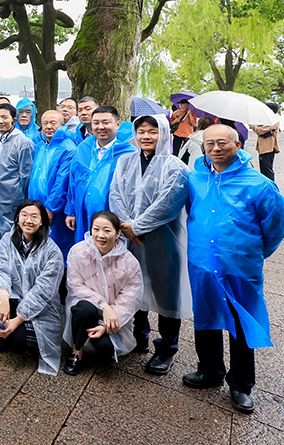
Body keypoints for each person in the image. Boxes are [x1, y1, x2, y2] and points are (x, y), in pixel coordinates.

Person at [183, 124, 284, 414]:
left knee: (241, 323)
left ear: (238, 145)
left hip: (239, 265)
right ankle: (209, 369)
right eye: (209, 143)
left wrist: (252, 254)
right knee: (205, 315)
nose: (215, 148)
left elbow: (275, 228)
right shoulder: (195, 178)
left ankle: (241, 384)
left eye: (222, 143)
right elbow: (191, 210)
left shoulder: (259, 185)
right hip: (202, 262)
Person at [108, 115, 191, 375]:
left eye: (152, 131)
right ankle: (138, 337)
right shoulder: (125, 161)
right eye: (141, 131)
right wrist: (125, 225)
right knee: (133, 287)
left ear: (164, 134)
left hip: (163, 240)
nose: (146, 136)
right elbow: (115, 194)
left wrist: (137, 227)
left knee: (167, 293)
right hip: (129, 238)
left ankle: (166, 349)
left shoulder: (176, 167)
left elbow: (167, 204)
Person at [0, 200, 64, 375]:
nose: (28, 220)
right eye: (24, 215)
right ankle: (1, 336)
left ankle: (14, 331)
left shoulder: (52, 252)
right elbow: (0, 269)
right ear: (17, 218)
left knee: (18, 340)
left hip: (42, 308)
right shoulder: (7, 239)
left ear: (42, 221)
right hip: (16, 297)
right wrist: (4, 298)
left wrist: (17, 319)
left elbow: (43, 292)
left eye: (34, 216)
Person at [62, 211, 144, 375]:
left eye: (107, 230)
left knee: (106, 349)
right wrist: (104, 306)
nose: (101, 235)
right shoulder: (78, 252)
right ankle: (76, 352)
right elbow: (75, 286)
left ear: (118, 233)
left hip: (113, 315)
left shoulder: (129, 262)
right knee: (83, 309)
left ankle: (97, 335)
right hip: (88, 307)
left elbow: (130, 299)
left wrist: (104, 326)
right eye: (96, 229)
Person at [64, 105, 135, 244]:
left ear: (118, 124)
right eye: (96, 123)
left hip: (112, 216)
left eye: (106, 122)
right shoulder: (84, 148)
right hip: (83, 213)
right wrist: (71, 211)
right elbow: (73, 179)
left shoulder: (128, 153)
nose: (100, 127)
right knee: (84, 250)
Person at [28, 110, 76, 260]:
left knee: (55, 246)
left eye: (53, 123)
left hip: (54, 209)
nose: (49, 126)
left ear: (63, 125)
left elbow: (62, 182)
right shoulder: (41, 146)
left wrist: (51, 207)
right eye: (45, 123)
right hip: (37, 203)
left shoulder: (67, 148)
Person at [0, 103, 34, 243]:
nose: (0, 121)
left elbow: (26, 174)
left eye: (4, 117)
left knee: (12, 234)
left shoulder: (23, 142)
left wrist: (19, 194)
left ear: (13, 119)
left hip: (11, 198)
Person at [250, 103, 280, 181]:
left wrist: (252, 124)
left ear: (271, 110)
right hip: (264, 147)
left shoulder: (272, 121)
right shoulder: (267, 120)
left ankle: (270, 185)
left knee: (267, 170)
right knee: (264, 169)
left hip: (268, 148)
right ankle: (266, 184)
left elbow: (260, 130)